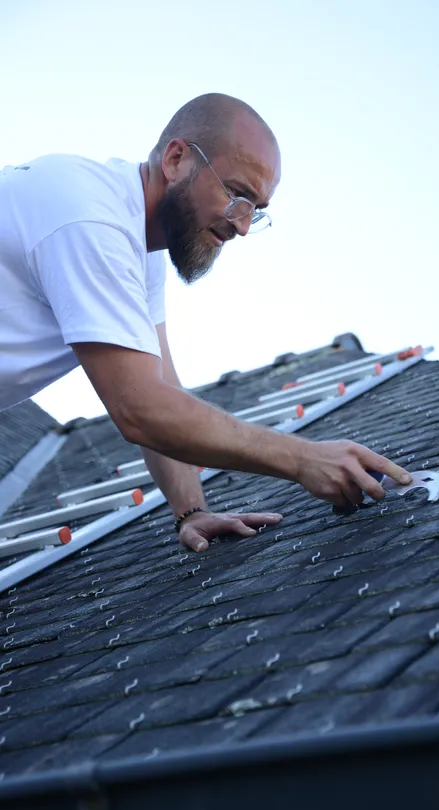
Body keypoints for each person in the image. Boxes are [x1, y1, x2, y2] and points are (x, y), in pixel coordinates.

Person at [0, 93, 411, 552]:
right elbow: (141, 410)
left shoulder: (139, 246)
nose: (241, 225)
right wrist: (303, 458)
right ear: (176, 159)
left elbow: (162, 391)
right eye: (236, 194)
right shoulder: (89, 218)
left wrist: (192, 511)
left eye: (255, 209)